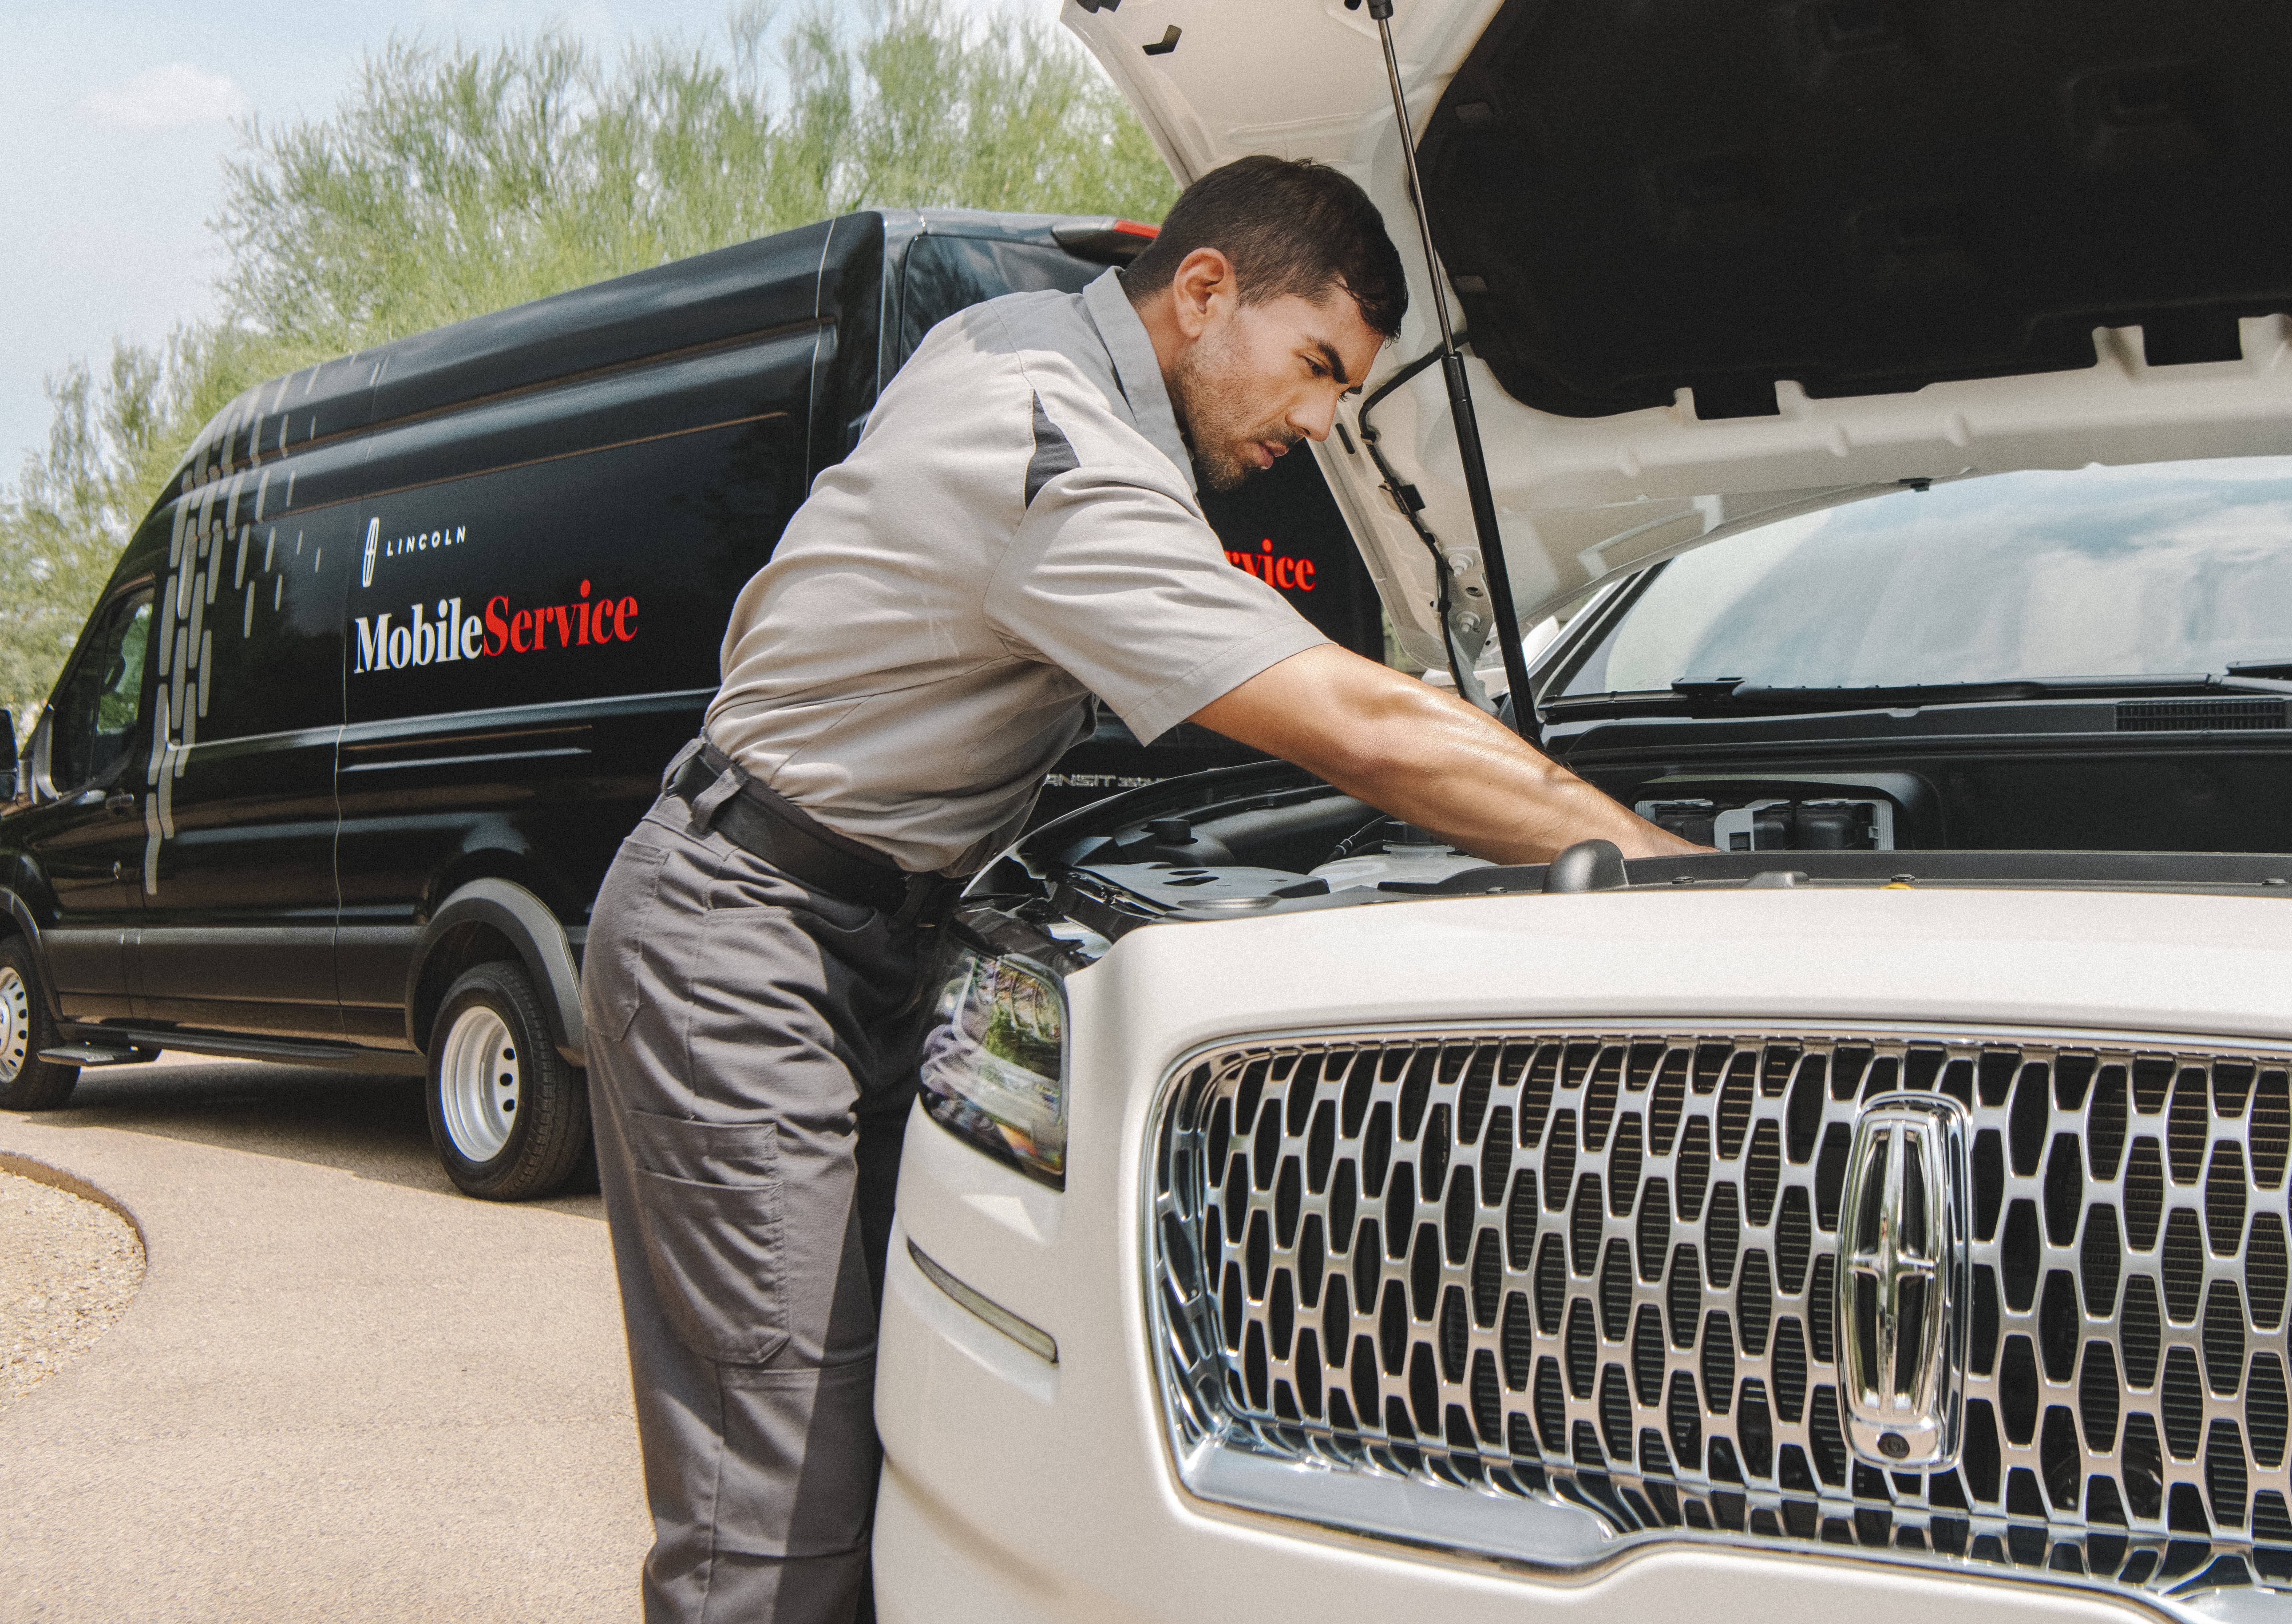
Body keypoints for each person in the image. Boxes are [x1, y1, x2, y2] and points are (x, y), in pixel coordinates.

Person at [581, 155, 1703, 1623]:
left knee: (896, 1434)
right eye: (1314, 369)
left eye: (1343, 396)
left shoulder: (1023, 348)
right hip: (744, 934)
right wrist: (1668, 872)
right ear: (1204, 291)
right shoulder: (1048, 442)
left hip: (863, 932)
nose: (1315, 425)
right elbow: (1359, 730)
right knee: (774, 1502)